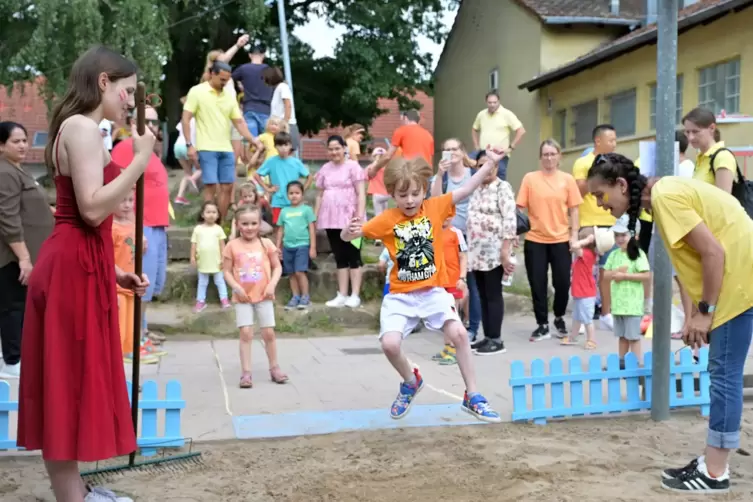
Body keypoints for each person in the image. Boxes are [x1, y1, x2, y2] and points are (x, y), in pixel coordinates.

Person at [18, 46, 153, 502]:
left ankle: (75, 493)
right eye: (128, 91)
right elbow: (93, 209)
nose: (131, 101)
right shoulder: (81, 128)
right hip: (70, 271)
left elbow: (79, 215)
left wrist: (115, 273)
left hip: (80, 266)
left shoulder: (78, 128)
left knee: (67, 387)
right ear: (103, 83)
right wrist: (140, 159)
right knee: (65, 387)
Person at [587, 152, 753, 494]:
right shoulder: (664, 194)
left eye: (601, 195)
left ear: (621, 185)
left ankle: (716, 472)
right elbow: (697, 262)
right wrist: (696, 314)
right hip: (738, 278)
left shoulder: (664, 197)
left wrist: (706, 311)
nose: (602, 205)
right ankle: (711, 462)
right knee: (722, 372)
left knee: (724, 375)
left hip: (740, 281)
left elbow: (714, 253)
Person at [341, 148, 507, 423]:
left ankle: (473, 395)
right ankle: (410, 381)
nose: (409, 200)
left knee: (460, 334)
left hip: (432, 292)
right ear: (392, 194)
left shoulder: (435, 207)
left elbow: (466, 188)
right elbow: (352, 237)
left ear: (424, 191)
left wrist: (490, 163)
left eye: (415, 194)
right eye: (402, 195)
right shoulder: (386, 220)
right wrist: (348, 232)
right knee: (390, 345)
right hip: (400, 296)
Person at [111, 105, 170, 346]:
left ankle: (141, 331)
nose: (153, 127)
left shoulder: (149, 152)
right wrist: (133, 227)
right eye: (148, 122)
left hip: (156, 224)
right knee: (139, 282)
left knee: (151, 281)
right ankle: (133, 337)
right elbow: (121, 188)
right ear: (133, 123)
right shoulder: (126, 148)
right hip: (139, 225)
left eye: (156, 123)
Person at [0, 122, 54, 379]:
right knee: (13, 305)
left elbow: (31, 207)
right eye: (16, 141)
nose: (23, 145)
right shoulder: (5, 173)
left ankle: (19, 355)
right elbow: (7, 217)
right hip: (13, 256)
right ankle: (12, 360)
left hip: (32, 254)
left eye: (25, 140)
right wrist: (23, 257)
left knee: (22, 305)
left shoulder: (17, 170)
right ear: (1, 145)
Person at [183, 61, 261, 222]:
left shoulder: (229, 96)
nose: (224, 83)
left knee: (228, 186)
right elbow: (186, 118)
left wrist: (252, 140)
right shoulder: (197, 91)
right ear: (212, 73)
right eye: (222, 79)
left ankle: (221, 223)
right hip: (206, 147)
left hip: (226, 148)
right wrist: (189, 144)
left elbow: (239, 122)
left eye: (227, 80)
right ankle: (207, 222)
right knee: (211, 185)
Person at [222, 205, 288, 388]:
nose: (249, 227)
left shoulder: (266, 244)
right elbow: (226, 271)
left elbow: (277, 267)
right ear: (238, 224)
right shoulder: (232, 246)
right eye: (245, 223)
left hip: (264, 296)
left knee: (268, 332)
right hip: (243, 297)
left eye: (253, 223)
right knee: (246, 333)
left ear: (259, 224)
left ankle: (274, 367)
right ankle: (246, 372)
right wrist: (236, 288)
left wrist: (272, 285)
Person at [428, 139, 482, 342]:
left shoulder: (472, 175)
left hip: (472, 236)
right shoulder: (441, 177)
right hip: (448, 236)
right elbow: (435, 203)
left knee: (471, 283)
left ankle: (473, 326)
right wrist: (440, 175)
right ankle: (451, 325)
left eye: (454, 149)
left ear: (462, 151)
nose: (451, 152)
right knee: (450, 283)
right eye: (446, 149)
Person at [466, 151, 517, 354]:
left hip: (495, 251)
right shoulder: (475, 187)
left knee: (493, 294)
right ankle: (487, 336)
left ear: (496, 167)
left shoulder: (502, 188)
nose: (485, 169)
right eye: (480, 165)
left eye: (489, 165)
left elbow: (510, 220)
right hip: (476, 253)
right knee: (482, 294)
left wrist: (506, 251)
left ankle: (496, 339)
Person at [573, 124, 617, 329]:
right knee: (584, 272)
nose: (614, 144)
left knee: (607, 271)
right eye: (611, 140)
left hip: (611, 223)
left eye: (615, 140)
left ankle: (606, 313)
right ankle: (583, 318)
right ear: (598, 141)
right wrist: (596, 175)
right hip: (588, 224)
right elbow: (578, 192)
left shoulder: (616, 163)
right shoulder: (582, 163)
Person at [315, 135, 367, 308]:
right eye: (330, 149)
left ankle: (355, 294)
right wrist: (316, 215)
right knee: (339, 257)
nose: (334, 152)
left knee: (353, 255)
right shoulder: (325, 168)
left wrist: (358, 217)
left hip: (350, 218)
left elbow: (361, 193)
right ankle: (342, 294)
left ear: (344, 148)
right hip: (330, 218)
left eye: (337, 148)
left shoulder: (353, 166)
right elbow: (320, 193)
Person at [112, 192, 158, 365]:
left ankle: (130, 350)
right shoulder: (111, 227)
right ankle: (117, 356)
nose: (127, 204)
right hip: (117, 284)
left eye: (130, 200)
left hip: (132, 283)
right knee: (119, 326)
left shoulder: (132, 225)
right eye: (122, 200)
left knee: (131, 324)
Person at [603, 214, 650, 365]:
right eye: (617, 235)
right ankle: (622, 362)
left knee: (633, 337)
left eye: (623, 235)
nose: (619, 239)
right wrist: (616, 273)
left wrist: (625, 276)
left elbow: (646, 276)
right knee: (622, 336)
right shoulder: (614, 255)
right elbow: (606, 275)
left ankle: (636, 363)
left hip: (632, 305)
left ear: (633, 235)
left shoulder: (638, 254)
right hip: (618, 305)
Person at [431, 215, 469, 366]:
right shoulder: (432, 232)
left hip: (453, 281)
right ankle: (447, 348)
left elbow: (463, 256)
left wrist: (462, 277)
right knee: (443, 316)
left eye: (448, 216)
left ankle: (455, 350)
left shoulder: (456, 233)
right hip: (438, 281)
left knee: (453, 316)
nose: (444, 218)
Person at [276, 181, 317, 310]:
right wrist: (278, 247)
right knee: (291, 273)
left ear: (302, 194)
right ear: (287, 195)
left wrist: (313, 247)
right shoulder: (284, 211)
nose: (294, 196)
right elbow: (281, 230)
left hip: (302, 245)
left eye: (297, 193)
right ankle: (295, 296)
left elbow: (312, 229)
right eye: (291, 193)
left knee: (300, 271)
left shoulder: (307, 210)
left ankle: (305, 296)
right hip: (288, 246)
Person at [255, 131, 310, 224]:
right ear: (275, 146)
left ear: (290, 146)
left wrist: (302, 190)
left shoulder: (296, 162)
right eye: (280, 145)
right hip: (278, 200)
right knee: (279, 225)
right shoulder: (271, 161)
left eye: (286, 145)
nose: (283, 148)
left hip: (294, 200)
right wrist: (267, 188)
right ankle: (278, 239)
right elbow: (256, 175)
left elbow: (309, 176)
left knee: (294, 225)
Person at [471, 90, 526, 181]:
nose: (492, 105)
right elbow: (474, 129)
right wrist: (476, 145)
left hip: (499, 155)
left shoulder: (507, 114)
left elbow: (521, 131)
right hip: (483, 154)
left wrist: (511, 147)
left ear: (499, 101)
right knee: (477, 178)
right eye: (490, 102)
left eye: (495, 102)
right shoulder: (481, 114)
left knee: (498, 181)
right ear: (486, 102)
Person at [560, 227, 600, 349]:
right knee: (577, 317)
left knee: (587, 318)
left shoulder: (588, 254)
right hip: (579, 292)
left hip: (586, 293)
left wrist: (587, 240)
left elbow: (575, 246)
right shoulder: (582, 255)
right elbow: (574, 246)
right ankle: (573, 337)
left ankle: (591, 340)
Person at [683, 106, 737, 194]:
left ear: (712, 128)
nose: (690, 137)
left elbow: (723, 202)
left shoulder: (722, 157)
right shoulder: (701, 157)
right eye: (687, 132)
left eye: (695, 131)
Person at [191, 201, 230, 313]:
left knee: (220, 281)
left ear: (218, 215)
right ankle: (200, 301)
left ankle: (224, 299)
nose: (211, 214)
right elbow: (194, 244)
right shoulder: (198, 229)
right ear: (203, 214)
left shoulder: (218, 229)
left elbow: (223, 245)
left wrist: (223, 258)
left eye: (214, 212)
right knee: (202, 282)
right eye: (208, 212)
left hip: (216, 260)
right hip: (203, 260)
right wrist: (192, 257)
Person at [370, 110, 434, 173]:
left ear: (406, 118)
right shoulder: (428, 135)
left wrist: (374, 170)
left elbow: (388, 156)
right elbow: (430, 158)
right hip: (426, 173)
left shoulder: (401, 130)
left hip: (410, 172)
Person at [232, 43, 273, 138]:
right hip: (266, 110)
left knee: (252, 143)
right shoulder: (270, 70)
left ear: (250, 55)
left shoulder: (243, 69)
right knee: (267, 143)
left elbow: (228, 79)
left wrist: (239, 85)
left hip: (249, 108)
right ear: (263, 55)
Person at [263, 66, 299, 152]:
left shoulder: (282, 87)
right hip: (279, 126)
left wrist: (284, 123)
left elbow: (288, 104)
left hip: (286, 126)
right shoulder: (277, 89)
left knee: (287, 154)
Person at [174, 96, 200, 206]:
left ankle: (180, 197)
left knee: (187, 172)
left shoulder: (184, 120)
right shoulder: (198, 121)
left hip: (177, 146)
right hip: (188, 147)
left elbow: (179, 129)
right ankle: (193, 179)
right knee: (201, 168)